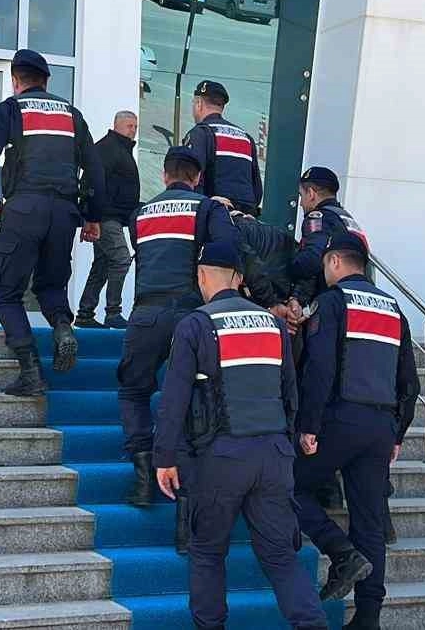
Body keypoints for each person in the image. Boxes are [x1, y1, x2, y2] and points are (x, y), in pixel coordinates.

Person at [153, 241, 326, 630]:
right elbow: (290, 394)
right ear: (240, 278)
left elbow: (174, 399)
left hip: (222, 457)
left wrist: (164, 457)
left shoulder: (196, 324)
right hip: (274, 454)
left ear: (201, 276)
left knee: (207, 552)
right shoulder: (273, 324)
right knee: (281, 557)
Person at [292, 231, 419, 630]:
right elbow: (409, 382)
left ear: (334, 261)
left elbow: (320, 367)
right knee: (370, 523)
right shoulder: (393, 309)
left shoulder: (332, 302)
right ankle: (368, 618)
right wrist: (397, 433)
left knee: (284, 486)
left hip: (340, 419)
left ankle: (340, 551)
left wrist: (308, 424)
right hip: (380, 427)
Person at [0, 49, 105, 397]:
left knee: (6, 292)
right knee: (51, 286)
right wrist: (92, 216)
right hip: (63, 213)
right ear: (46, 81)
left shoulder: (10, 109)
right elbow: (95, 168)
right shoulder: (71, 114)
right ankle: (62, 327)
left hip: (24, 209)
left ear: (16, 81)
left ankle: (30, 370)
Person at [119, 146, 235, 508]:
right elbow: (228, 251)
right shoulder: (207, 208)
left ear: (165, 175)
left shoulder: (140, 214)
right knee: (195, 392)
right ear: (197, 177)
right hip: (191, 313)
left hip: (146, 314)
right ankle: (188, 486)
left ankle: (143, 477)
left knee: (133, 391)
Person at [75, 110, 141, 329]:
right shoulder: (108, 148)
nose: (133, 130)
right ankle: (113, 312)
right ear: (117, 125)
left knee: (102, 264)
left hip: (110, 216)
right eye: (129, 126)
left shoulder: (119, 149)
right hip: (105, 217)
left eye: (135, 126)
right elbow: (91, 182)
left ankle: (85, 313)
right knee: (121, 260)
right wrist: (90, 216)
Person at [290, 166, 368, 309]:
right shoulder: (345, 218)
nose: (300, 203)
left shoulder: (317, 217)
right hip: (358, 297)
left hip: (333, 300)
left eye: (301, 195)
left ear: (311, 194)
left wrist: (285, 267)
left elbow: (312, 259)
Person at [181, 80, 263, 214]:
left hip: (214, 216)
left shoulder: (200, 133)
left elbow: (189, 181)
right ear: (222, 107)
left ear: (199, 104)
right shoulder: (246, 138)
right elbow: (257, 191)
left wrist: (206, 204)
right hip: (244, 219)